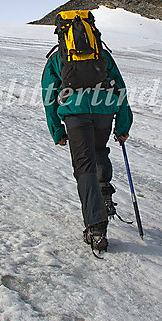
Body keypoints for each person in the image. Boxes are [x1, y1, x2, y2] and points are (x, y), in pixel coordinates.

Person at [41, 28, 133, 252]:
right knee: (99, 149)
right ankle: (105, 194)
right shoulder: (102, 55)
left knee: (84, 167)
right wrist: (123, 124)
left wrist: (57, 131)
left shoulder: (57, 58)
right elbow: (120, 88)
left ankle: (96, 229)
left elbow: (49, 96)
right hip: (104, 112)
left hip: (75, 115)